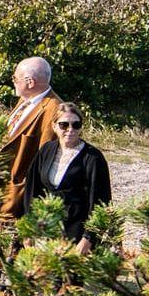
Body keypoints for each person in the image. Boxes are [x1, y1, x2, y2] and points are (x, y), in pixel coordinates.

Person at [23, 102, 111, 254]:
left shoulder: (93, 157)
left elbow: (100, 200)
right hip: (46, 227)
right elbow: (32, 190)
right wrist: (29, 228)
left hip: (77, 231)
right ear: (54, 126)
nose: (70, 130)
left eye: (76, 125)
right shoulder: (46, 150)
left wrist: (88, 238)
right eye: (64, 125)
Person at [1, 56, 61, 224]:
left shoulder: (53, 110)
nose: (13, 81)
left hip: (20, 195)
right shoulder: (26, 99)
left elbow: (46, 160)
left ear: (30, 82)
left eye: (15, 78)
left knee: (11, 242)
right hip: (3, 187)